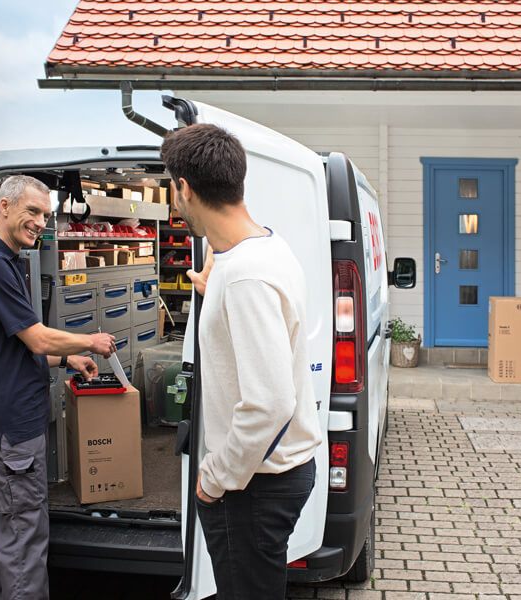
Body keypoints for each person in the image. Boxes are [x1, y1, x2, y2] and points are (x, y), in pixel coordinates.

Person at [160, 124, 322, 599]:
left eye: (173, 187)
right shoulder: (266, 246)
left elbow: (271, 402)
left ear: (185, 189)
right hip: (274, 473)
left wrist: (215, 478)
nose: (174, 199)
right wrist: (215, 292)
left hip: (253, 485)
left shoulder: (245, 275)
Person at [0, 174, 115, 600]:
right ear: (3, 206)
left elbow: (13, 343)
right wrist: (89, 342)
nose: (41, 221)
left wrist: (66, 358)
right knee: (24, 544)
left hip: (3, 424)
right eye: (33, 211)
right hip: (13, 429)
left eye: (46, 214)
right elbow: (37, 337)